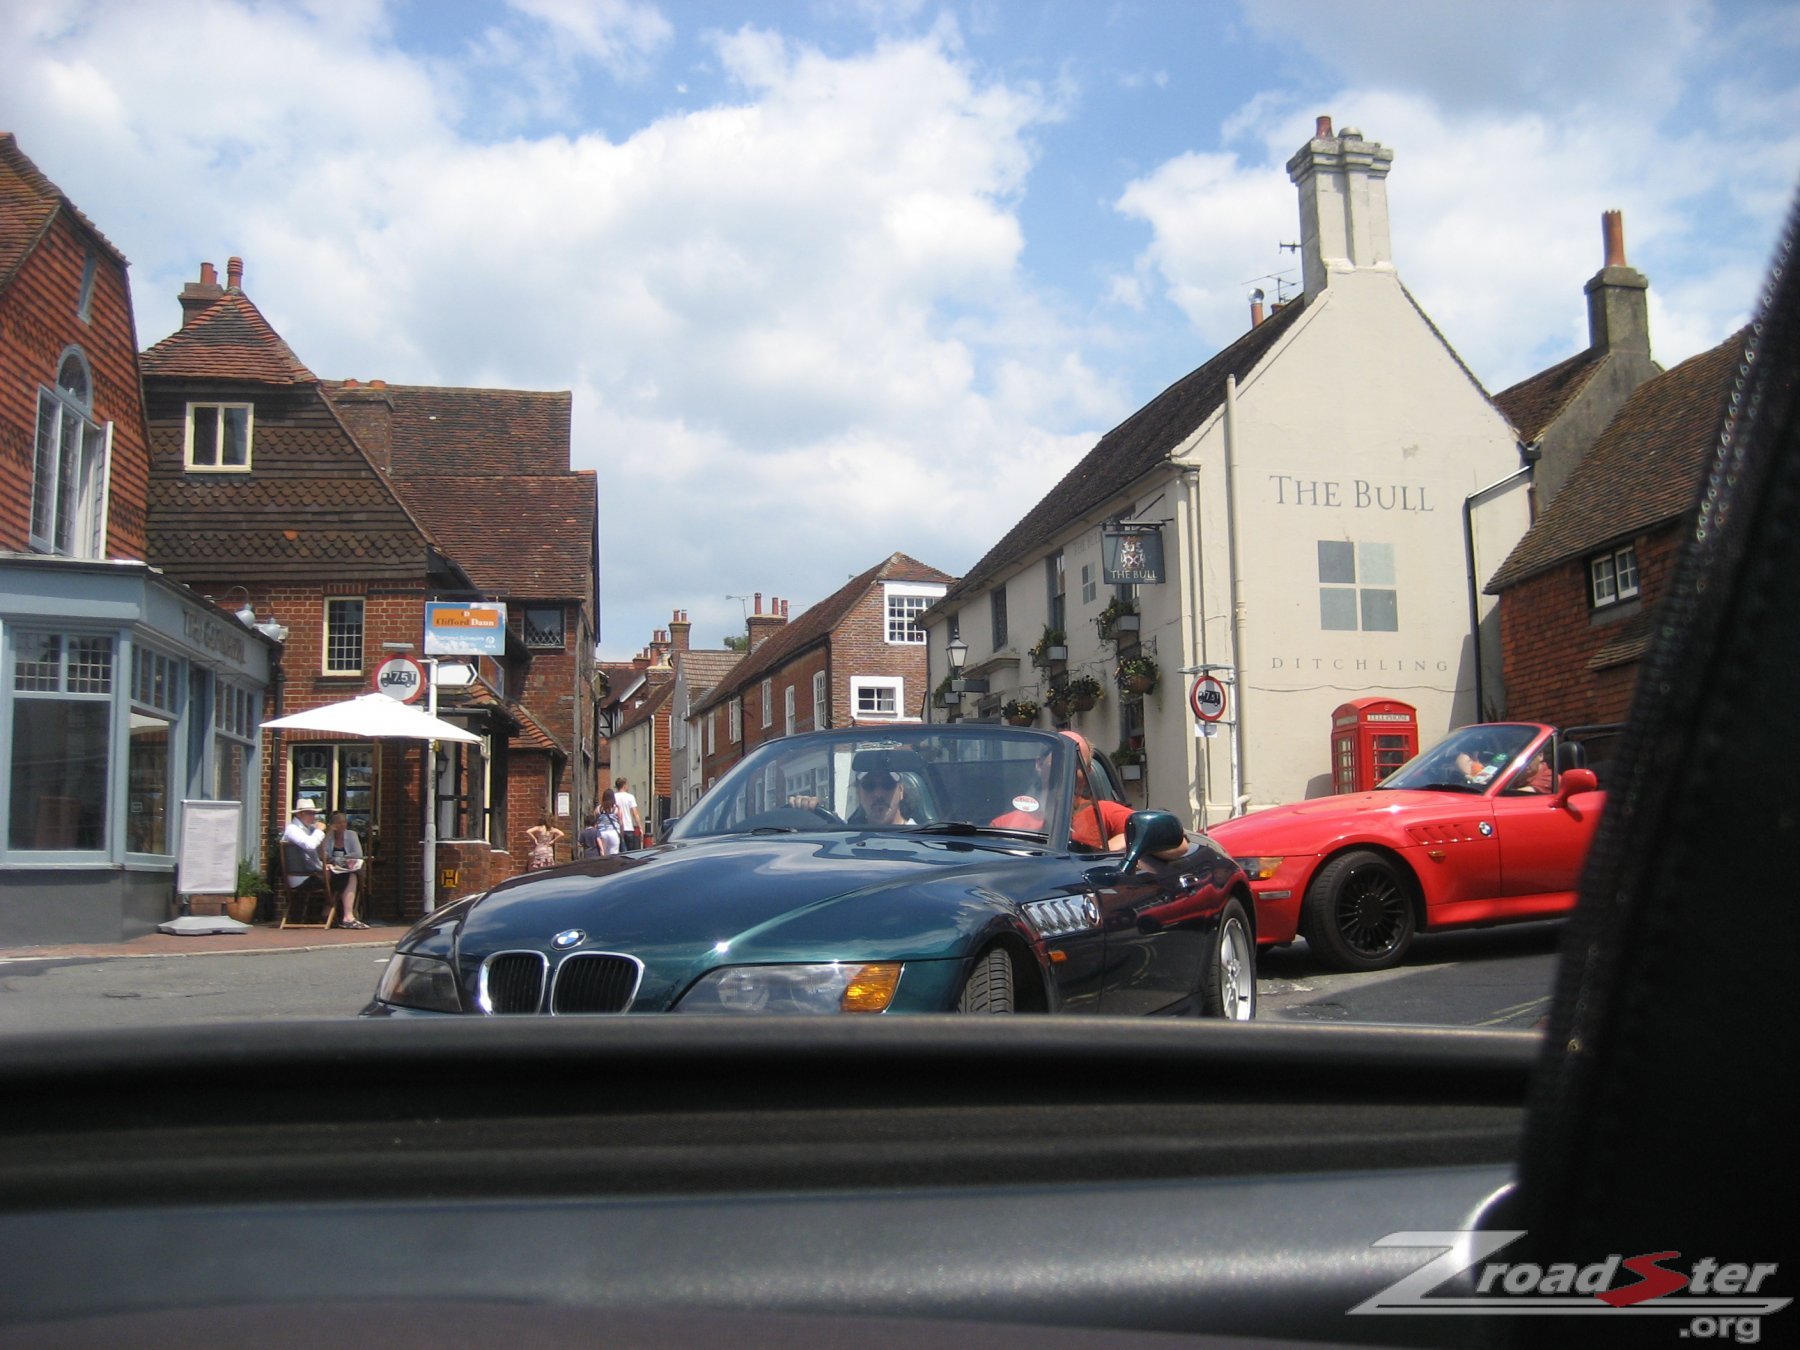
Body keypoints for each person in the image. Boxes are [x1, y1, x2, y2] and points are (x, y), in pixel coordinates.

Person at [280, 798, 329, 915]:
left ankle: (330, 911)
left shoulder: (308, 830)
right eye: (310, 813)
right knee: (345, 878)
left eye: (314, 813)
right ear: (299, 814)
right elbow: (309, 845)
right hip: (301, 878)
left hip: (309, 875)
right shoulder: (292, 829)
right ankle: (333, 913)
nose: (313, 817)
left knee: (342, 875)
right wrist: (319, 831)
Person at [322, 811, 367, 929]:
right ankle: (346, 916)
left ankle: (331, 910)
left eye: (344, 822)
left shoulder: (351, 835)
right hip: (332, 870)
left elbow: (358, 853)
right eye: (339, 822)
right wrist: (329, 833)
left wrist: (339, 859)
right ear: (333, 825)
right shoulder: (328, 837)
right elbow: (323, 854)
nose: (343, 825)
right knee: (346, 877)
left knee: (352, 875)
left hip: (349, 868)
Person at [852, 769, 916, 826]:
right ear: (858, 793)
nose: (879, 794)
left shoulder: (919, 837)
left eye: (888, 784)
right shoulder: (848, 837)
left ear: (901, 791)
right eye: (869, 785)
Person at [613, 777, 644, 852]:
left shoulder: (613, 797)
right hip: (629, 828)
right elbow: (635, 813)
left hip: (617, 828)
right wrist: (640, 827)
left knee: (619, 852)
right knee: (630, 853)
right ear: (624, 785)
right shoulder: (630, 797)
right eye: (627, 785)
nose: (628, 787)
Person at [591, 791, 623, 857]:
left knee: (603, 855)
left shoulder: (598, 808)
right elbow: (621, 823)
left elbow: (594, 822)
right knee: (614, 855)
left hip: (602, 833)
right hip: (614, 833)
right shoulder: (617, 808)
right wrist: (622, 834)